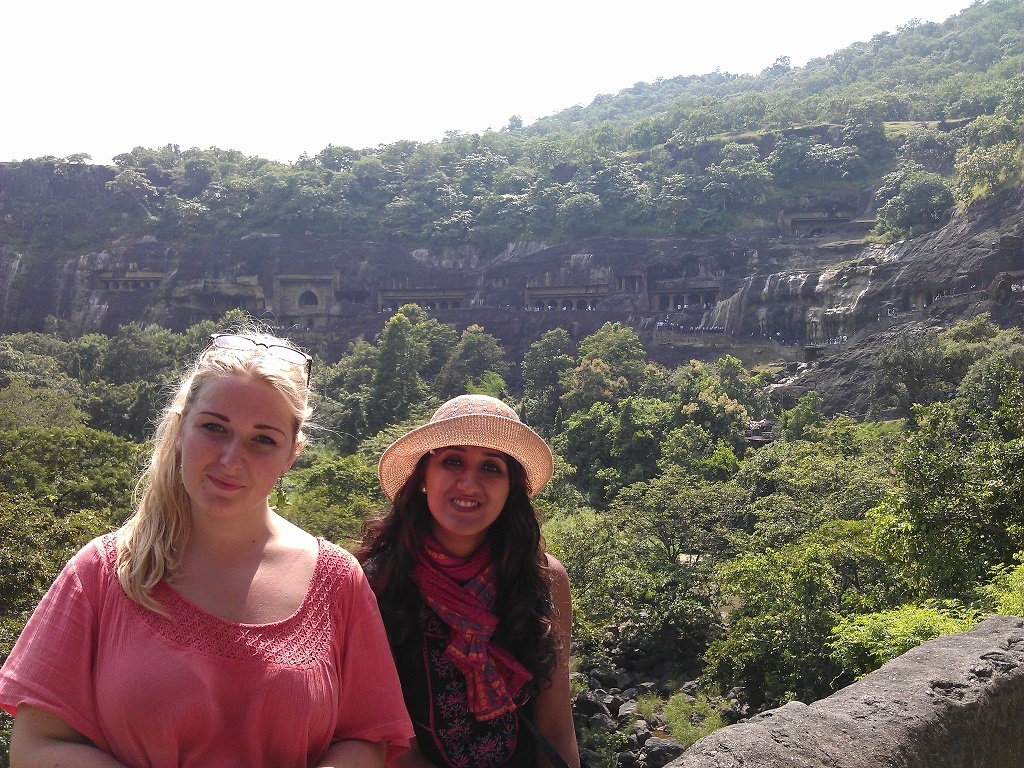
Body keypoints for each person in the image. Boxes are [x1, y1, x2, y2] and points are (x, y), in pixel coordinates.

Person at [0, 326, 413, 767]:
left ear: (292, 453)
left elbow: (367, 738)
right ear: (180, 429)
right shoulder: (103, 573)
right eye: (214, 428)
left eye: (263, 439)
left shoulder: (336, 579)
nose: (231, 458)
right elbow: (36, 746)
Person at [357, 394, 581, 768]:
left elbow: (556, 729)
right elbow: (392, 745)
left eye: (491, 468)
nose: (469, 483)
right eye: (453, 461)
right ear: (423, 478)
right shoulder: (375, 585)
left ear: (511, 490)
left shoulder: (543, 579)